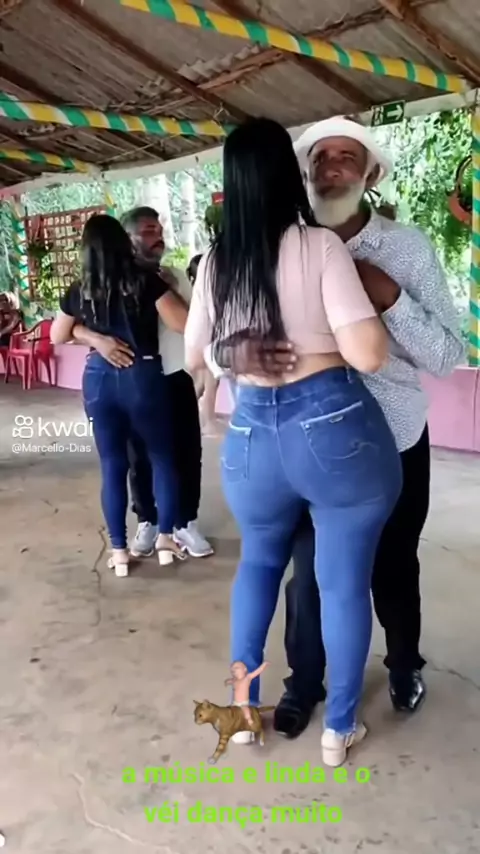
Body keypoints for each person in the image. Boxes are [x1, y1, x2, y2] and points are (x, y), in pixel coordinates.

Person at [184, 117, 403, 766]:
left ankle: (243, 714)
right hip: (332, 430)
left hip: (253, 436)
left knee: (257, 568)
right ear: (291, 173)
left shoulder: (217, 262)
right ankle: (338, 730)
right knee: (341, 586)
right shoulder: (319, 248)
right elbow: (368, 354)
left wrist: (237, 353)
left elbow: (195, 355)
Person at [262, 116, 464, 737]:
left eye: (347, 156)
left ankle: (403, 665)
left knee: (393, 565)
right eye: (320, 157)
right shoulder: (282, 248)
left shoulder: (407, 249)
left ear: (371, 174)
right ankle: (304, 683)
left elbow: (447, 355)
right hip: (310, 441)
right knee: (308, 572)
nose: (332, 167)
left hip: (395, 436)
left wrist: (390, 299)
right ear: (305, 173)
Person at [71, 207, 213, 560]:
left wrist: (172, 289)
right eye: (149, 231)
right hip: (140, 377)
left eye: (159, 229)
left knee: (185, 452)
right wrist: (99, 340)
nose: (158, 236)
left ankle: (183, 522)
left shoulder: (170, 276)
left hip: (171, 374)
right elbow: (70, 328)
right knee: (140, 459)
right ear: (128, 238)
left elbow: (191, 323)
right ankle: (150, 521)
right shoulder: (109, 281)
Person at [50, 214, 188, 576]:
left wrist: (95, 338)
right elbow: (183, 323)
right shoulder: (145, 280)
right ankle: (165, 540)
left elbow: (58, 335)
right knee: (162, 459)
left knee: (112, 465)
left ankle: (119, 551)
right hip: (143, 374)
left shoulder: (79, 290)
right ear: (124, 243)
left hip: (98, 378)